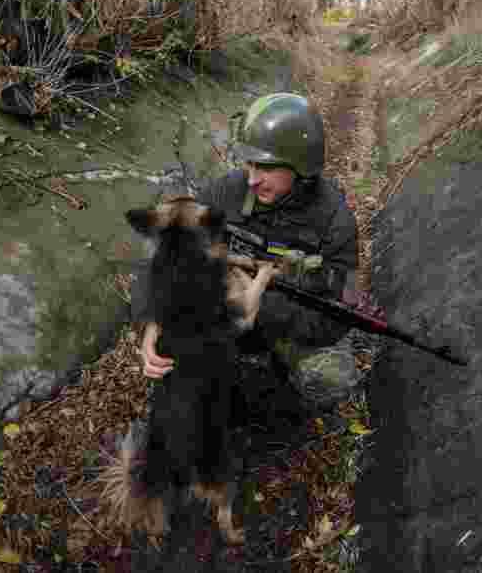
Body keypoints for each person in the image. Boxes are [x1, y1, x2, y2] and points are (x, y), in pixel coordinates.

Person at [132, 92, 363, 415]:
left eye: (265, 167)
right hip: (223, 318)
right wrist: (150, 320)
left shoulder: (335, 221)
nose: (252, 179)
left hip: (291, 327)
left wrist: (264, 309)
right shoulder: (227, 192)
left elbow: (342, 310)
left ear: (301, 165)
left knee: (328, 381)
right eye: (249, 164)